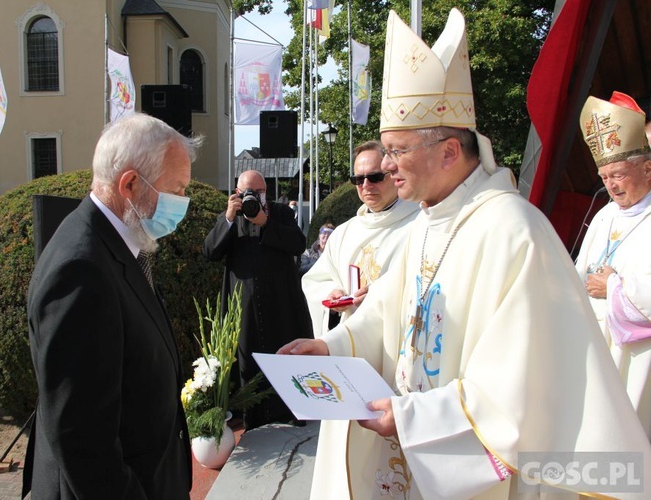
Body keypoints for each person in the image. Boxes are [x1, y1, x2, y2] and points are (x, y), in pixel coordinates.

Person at [279, 9, 651, 498]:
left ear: (450, 153)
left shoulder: (513, 232)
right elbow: (388, 312)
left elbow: (520, 389)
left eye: (398, 150)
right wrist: (333, 346)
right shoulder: (428, 222)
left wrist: (414, 417)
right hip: (410, 462)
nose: (387, 166)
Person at [23, 113, 200, 499]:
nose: (183, 204)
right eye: (176, 189)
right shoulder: (81, 271)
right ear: (131, 183)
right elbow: (83, 441)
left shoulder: (118, 245)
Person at [202, 170, 313, 430]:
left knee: (285, 357)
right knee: (247, 363)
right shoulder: (231, 217)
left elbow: (298, 243)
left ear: (266, 192)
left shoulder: (281, 213)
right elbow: (210, 252)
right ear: (237, 194)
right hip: (244, 309)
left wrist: (266, 223)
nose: (252, 197)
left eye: (258, 192)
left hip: (282, 305)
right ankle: (252, 421)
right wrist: (228, 218)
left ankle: (292, 413)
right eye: (246, 193)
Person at [574, 91, 651, 438]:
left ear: (647, 169)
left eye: (618, 174)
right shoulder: (604, 216)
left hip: (638, 360)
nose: (611, 185)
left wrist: (614, 290)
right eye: (604, 177)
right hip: (597, 351)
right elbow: (578, 275)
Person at [302, 141, 418, 336]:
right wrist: (333, 294)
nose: (366, 186)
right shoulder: (343, 233)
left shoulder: (419, 225)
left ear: (394, 174)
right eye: (358, 179)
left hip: (394, 339)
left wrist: (381, 298)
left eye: (375, 177)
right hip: (350, 340)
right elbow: (316, 281)